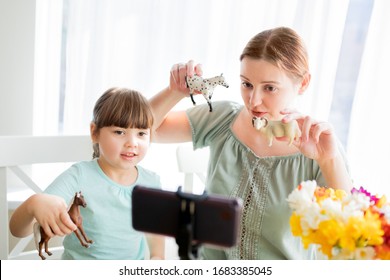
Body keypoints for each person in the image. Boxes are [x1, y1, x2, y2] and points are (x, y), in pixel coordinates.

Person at [149, 26, 352, 260]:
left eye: (270, 88)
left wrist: (328, 160)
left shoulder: (320, 146)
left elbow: (347, 234)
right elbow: (147, 131)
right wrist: (174, 91)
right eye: (246, 84)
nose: (253, 100)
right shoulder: (222, 118)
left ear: (303, 83)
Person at [9, 87, 165, 260]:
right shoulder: (79, 175)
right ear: (94, 132)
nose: (132, 143)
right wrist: (34, 203)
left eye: (141, 133)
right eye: (119, 132)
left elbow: (156, 243)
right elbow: (17, 230)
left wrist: (156, 261)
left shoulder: (152, 182)